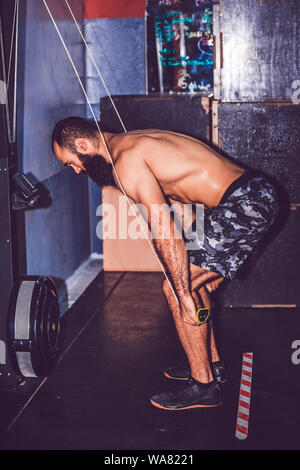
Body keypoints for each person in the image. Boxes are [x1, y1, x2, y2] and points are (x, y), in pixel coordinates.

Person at [52, 116, 279, 410]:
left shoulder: (126, 162)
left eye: (72, 162)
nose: (77, 170)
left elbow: (165, 232)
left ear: (82, 145)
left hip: (245, 202)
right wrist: (196, 261)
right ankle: (211, 367)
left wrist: (181, 292)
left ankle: (204, 386)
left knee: (175, 288)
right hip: (249, 195)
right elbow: (183, 210)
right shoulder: (132, 141)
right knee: (194, 284)